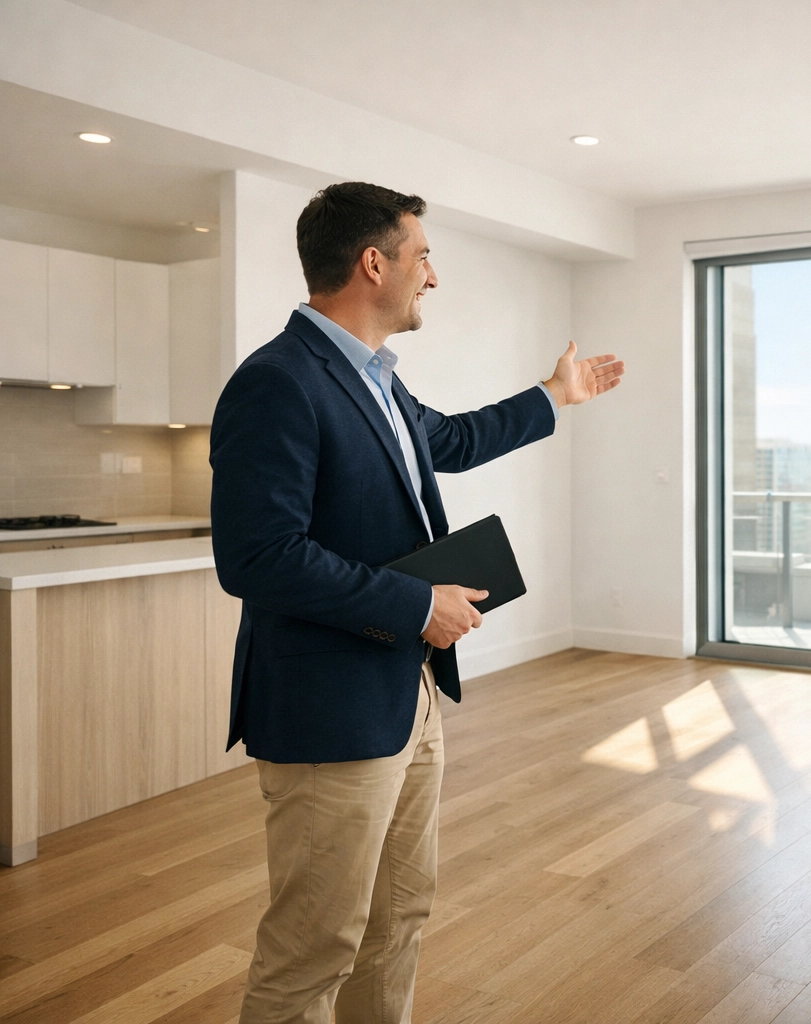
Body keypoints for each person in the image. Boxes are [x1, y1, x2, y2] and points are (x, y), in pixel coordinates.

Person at [210, 181, 624, 1024]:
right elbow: (258, 557)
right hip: (329, 712)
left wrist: (556, 395)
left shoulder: (377, 381)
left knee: (396, 919)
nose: (432, 275)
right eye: (423, 256)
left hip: (406, 693)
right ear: (375, 263)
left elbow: (454, 441)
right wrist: (414, 605)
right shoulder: (278, 382)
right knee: (313, 947)